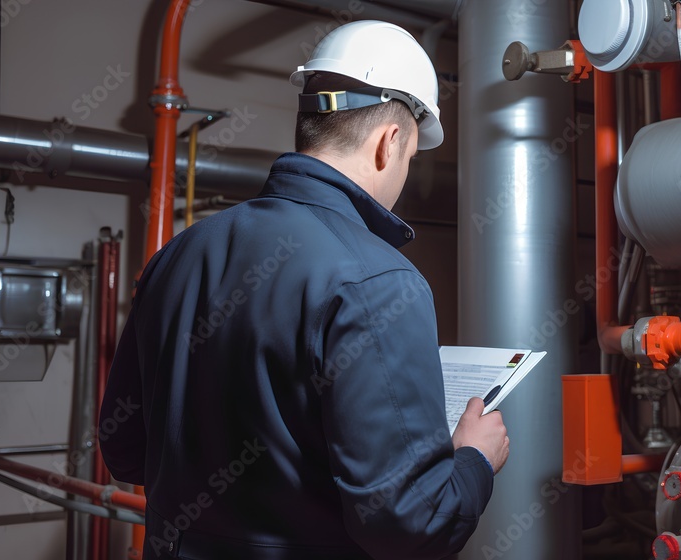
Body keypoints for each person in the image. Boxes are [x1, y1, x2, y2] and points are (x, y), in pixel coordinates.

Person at [99, 20, 509, 560]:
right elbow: (411, 525)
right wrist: (474, 459)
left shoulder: (178, 255)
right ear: (390, 144)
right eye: (410, 158)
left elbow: (125, 452)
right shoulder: (381, 281)